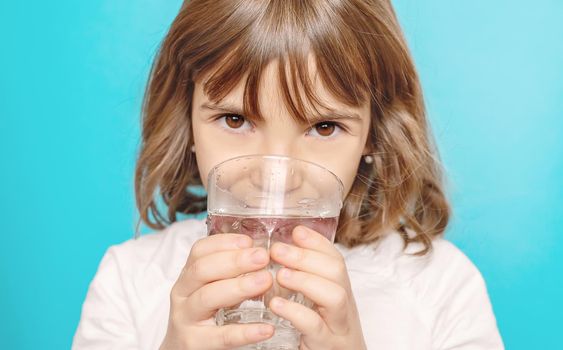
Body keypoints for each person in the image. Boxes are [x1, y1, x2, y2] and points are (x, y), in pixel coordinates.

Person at [73, 0, 504, 349]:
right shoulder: (129, 282)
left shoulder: (440, 288)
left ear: (374, 134)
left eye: (324, 127)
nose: (273, 175)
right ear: (187, 121)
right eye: (236, 119)